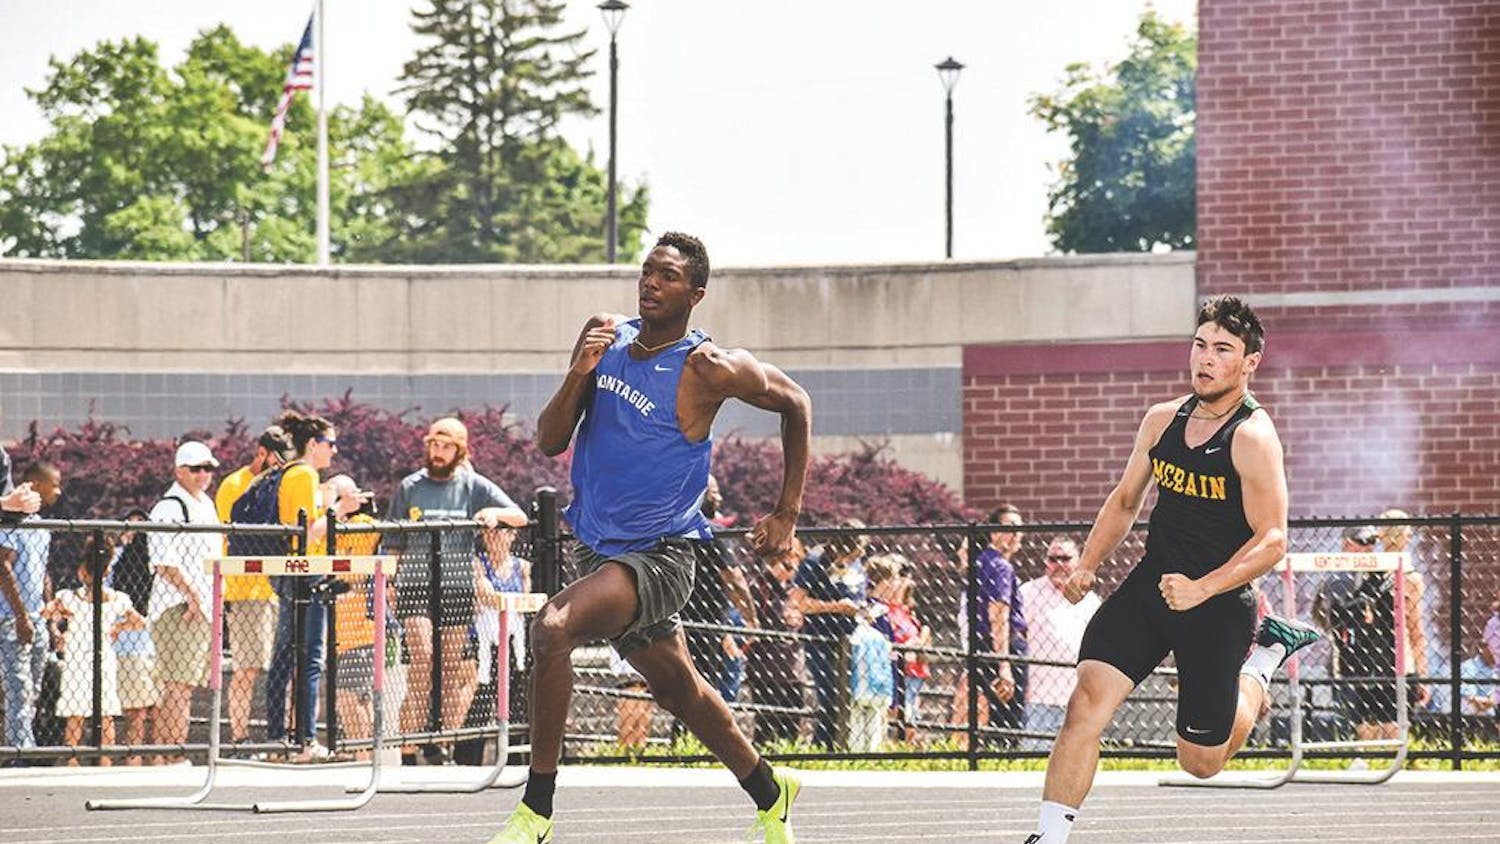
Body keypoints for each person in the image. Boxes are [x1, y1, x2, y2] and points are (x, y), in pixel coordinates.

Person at [493, 232, 812, 844]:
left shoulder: (709, 367)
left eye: (666, 276)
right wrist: (577, 373)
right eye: (646, 272)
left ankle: (536, 810)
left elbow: (795, 402)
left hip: (663, 553)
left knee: (554, 627)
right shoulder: (604, 338)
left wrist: (787, 513)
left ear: (695, 293)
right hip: (598, 547)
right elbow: (550, 439)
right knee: (676, 687)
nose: (650, 283)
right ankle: (772, 792)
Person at [1027, 296, 1320, 844]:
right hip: (1152, 586)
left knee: (1201, 762)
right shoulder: (1162, 420)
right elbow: (1125, 500)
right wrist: (1088, 564)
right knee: (1085, 703)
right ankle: (1048, 837)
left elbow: (1273, 539)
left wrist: (1202, 588)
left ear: (1249, 362)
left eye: (1223, 350)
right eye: (1200, 345)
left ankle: (1265, 657)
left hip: (1217, 601)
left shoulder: (1253, 437)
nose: (1205, 359)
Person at [388, 417, 528, 765]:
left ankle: (437, 742)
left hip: (456, 587)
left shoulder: (472, 485)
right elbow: (391, 542)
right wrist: (389, 584)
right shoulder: (410, 486)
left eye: (445, 446)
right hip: (416, 585)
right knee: (423, 660)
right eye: (433, 445)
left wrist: (493, 512)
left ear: (460, 449)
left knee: (451, 667)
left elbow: (520, 516)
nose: (437, 452)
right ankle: (409, 749)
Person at [262, 412, 367, 758]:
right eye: (330, 444)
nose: (334, 451)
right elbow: (309, 531)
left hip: (292, 571)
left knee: (285, 656)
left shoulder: (291, 473)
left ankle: (280, 736)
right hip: (305, 571)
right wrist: (341, 507)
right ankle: (304, 739)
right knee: (309, 659)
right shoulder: (304, 474)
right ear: (313, 444)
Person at [214, 424, 295, 746]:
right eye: (275, 458)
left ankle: (284, 734)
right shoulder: (235, 484)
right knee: (247, 668)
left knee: (282, 669)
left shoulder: (284, 481)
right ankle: (240, 738)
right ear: (261, 452)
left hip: (278, 587)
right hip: (246, 589)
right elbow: (232, 535)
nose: (279, 465)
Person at [42, 536, 146, 766]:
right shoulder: (117, 599)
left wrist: (60, 625)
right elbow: (140, 622)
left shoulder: (69, 597)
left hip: (76, 659)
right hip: (104, 658)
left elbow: (47, 613)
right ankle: (106, 760)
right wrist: (118, 627)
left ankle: (72, 760)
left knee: (75, 714)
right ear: (108, 570)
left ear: (81, 571)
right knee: (105, 713)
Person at [147, 442, 221, 764]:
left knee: (181, 686)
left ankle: (165, 755)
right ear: (179, 471)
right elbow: (164, 563)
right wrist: (193, 598)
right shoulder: (170, 506)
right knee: (177, 686)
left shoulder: (205, 502)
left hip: (199, 607)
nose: (204, 475)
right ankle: (171, 754)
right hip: (179, 608)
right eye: (196, 469)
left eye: (208, 468)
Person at [950, 505, 1027, 744]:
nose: (1015, 535)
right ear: (994, 533)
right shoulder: (1000, 566)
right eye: (1008, 528)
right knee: (1007, 719)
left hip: (983, 645)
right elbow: (999, 615)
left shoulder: (982, 562)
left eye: (1019, 529)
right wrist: (1004, 665)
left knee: (990, 712)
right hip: (1002, 647)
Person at [1017, 538, 1101, 753]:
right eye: (1053, 559)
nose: (1058, 564)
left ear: (1077, 560)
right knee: (1034, 755)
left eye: (1065, 558)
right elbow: (1016, 635)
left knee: (1074, 755)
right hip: (1039, 695)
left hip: (1077, 695)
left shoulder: (1089, 600)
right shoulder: (1029, 593)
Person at [790, 520, 868, 750]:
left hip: (853, 636)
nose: (857, 557)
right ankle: (823, 746)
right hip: (821, 637)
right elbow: (800, 603)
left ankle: (848, 745)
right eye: (855, 552)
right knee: (830, 696)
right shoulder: (815, 562)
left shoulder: (857, 564)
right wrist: (836, 607)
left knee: (853, 694)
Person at [0, 462, 61, 753]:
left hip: (37, 617)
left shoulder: (41, 527)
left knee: (33, 689)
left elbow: (43, 573)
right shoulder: (12, 521)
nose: (58, 491)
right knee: (18, 686)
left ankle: (25, 743)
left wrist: (48, 618)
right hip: (11, 618)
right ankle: (19, 750)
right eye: (54, 484)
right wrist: (21, 616)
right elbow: (3, 566)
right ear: (35, 485)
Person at [682, 474, 758, 692]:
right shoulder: (711, 531)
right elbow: (734, 579)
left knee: (684, 684)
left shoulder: (670, 528)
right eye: (714, 492)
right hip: (707, 622)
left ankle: (683, 726)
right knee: (705, 684)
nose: (720, 498)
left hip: (676, 616)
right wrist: (751, 618)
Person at [105, 510, 156, 765]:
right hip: (133, 644)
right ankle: (138, 761)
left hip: (136, 644)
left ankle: (134, 761)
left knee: (136, 710)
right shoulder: (119, 561)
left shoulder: (124, 561)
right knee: (139, 710)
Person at [746, 540, 807, 746]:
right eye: (787, 566)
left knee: (792, 720)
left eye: (796, 567)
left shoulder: (797, 590)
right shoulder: (759, 588)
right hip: (766, 666)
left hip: (793, 666)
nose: (791, 572)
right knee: (766, 722)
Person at [868, 553, 932, 740]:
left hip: (912, 671)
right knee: (897, 716)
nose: (903, 581)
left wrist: (920, 639)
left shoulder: (906, 610)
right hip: (893, 670)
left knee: (908, 716)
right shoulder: (879, 610)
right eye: (897, 577)